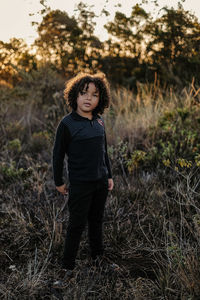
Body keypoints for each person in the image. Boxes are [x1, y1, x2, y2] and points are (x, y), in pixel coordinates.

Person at [52, 72, 114, 284]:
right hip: (80, 185)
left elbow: (104, 151)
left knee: (96, 221)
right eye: (83, 93)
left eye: (94, 94)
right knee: (76, 225)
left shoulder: (99, 122)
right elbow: (57, 154)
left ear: (100, 99)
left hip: (100, 182)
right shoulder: (67, 124)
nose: (88, 98)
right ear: (74, 96)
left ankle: (98, 258)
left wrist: (109, 175)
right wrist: (58, 181)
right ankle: (67, 268)